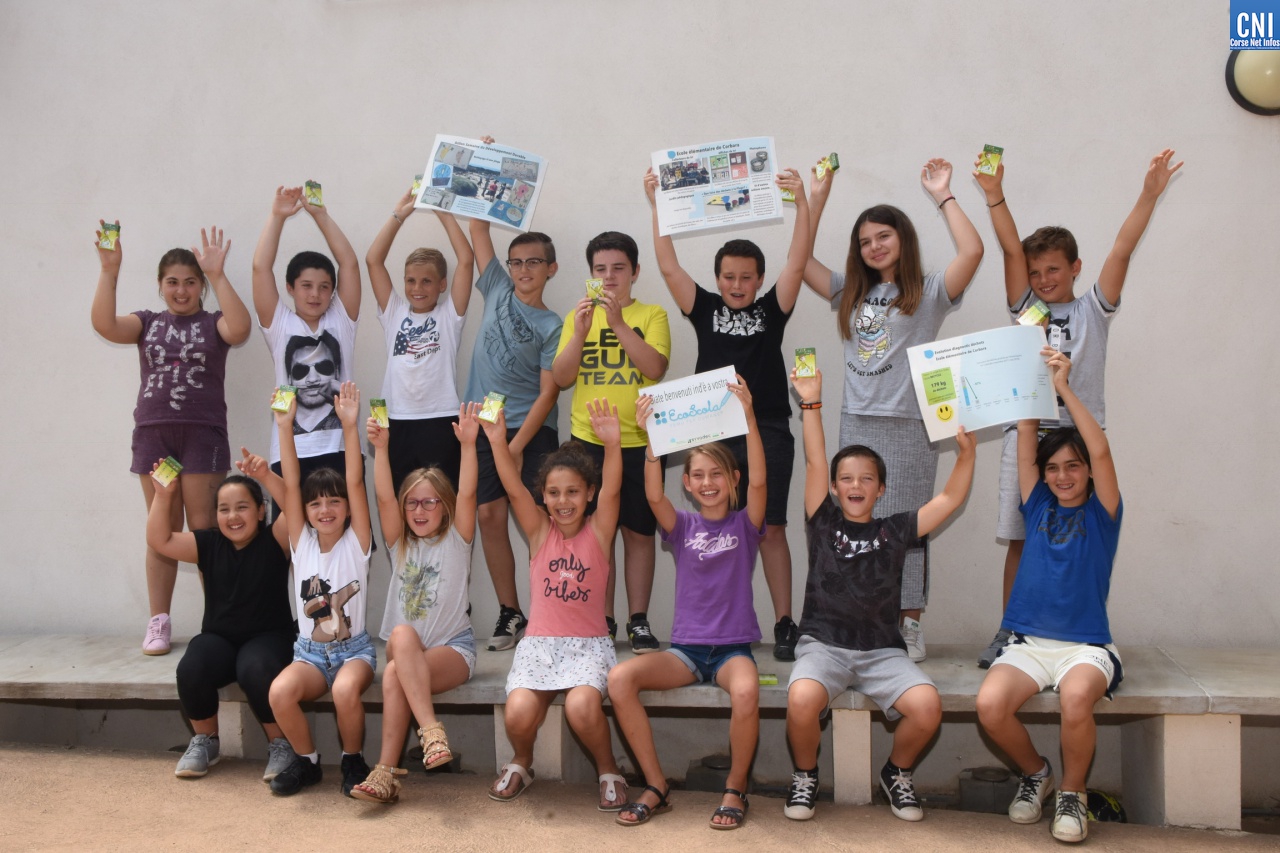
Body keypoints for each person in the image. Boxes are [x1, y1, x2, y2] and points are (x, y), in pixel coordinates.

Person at [974, 149, 1182, 668]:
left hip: (1080, 439)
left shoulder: (1094, 308)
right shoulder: (1026, 308)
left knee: (1083, 538)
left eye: (1053, 269)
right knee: (1021, 539)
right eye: (1036, 271)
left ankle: (1080, 633)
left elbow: (1122, 250)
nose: (1043, 278)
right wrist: (995, 195)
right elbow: (1009, 249)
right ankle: (1011, 630)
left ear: (1075, 268)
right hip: (1028, 436)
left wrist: (1149, 194)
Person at [803, 157, 983, 661]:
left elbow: (973, 251)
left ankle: (909, 623)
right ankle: (854, 618)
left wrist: (943, 195)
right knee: (854, 523)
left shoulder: (927, 291)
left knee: (907, 525)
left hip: (909, 423)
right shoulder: (850, 289)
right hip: (856, 421)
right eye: (865, 241)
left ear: (902, 238)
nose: (874, 246)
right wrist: (815, 199)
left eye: (883, 236)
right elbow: (799, 262)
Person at [784, 367, 975, 823]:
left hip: (882, 654)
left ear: (881, 489)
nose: (856, 486)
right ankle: (806, 775)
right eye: (847, 479)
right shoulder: (823, 522)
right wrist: (811, 403)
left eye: (866, 479)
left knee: (927, 707)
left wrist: (966, 454)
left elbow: (948, 500)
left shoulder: (895, 530)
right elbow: (815, 460)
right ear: (834, 488)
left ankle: (897, 772)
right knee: (801, 700)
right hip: (824, 647)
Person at [645, 164, 811, 661]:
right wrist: (658, 203)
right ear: (718, 279)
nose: (737, 284)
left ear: (759, 279)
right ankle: (711, 627)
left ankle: (785, 622)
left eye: (746, 277)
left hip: (768, 429)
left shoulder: (772, 310)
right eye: (728, 276)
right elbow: (669, 266)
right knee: (713, 529)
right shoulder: (704, 307)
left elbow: (797, 263)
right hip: (712, 434)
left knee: (771, 527)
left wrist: (803, 204)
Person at [975, 349, 1123, 844]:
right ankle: (1037, 774)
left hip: (1085, 647)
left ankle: (1072, 795)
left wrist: (1061, 387)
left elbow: (1102, 451)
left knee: (1076, 698)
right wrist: (1027, 375)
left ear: (1088, 471)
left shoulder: (1103, 513)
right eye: (1054, 468)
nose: (1063, 476)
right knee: (990, 706)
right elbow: (1025, 442)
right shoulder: (1037, 504)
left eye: (1073, 466)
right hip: (1029, 645)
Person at [609, 378, 765, 830]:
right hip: (686, 652)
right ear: (688, 483)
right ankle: (656, 784)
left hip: (733, 651)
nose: (708, 482)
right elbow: (652, 496)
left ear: (732, 479)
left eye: (717, 473)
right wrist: (651, 441)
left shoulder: (745, 524)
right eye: (698, 475)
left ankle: (735, 789)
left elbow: (761, 480)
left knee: (746, 691)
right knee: (619, 679)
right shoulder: (682, 526)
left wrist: (749, 417)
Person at [91, 223, 252, 655]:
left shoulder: (213, 323)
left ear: (201, 286)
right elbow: (104, 324)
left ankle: (219, 622)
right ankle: (158, 622)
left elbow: (241, 329)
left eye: (191, 282)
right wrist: (109, 270)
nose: (181, 290)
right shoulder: (147, 322)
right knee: (162, 527)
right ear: (160, 286)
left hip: (202, 436)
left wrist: (218, 273)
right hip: (155, 437)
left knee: (205, 529)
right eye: (173, 282)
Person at [480, 401, 628, 811]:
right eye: (554, 493)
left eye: (573, 492)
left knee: (582, 708)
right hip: (540, 647)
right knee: (517, 714)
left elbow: (614, 490)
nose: (564, 501)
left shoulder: (599, 531)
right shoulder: (539, 532)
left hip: (587, 647)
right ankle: (522, 761)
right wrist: (497, 441)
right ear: (543, 497)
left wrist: (613, 445)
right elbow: (513, 488)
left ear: (589, 493)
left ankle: (608, 768)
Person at [349, 403, 480, 804]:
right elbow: (383, 498)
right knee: (402, 638)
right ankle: (430, 734)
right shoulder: (400, 544)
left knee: (394, 672)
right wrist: (381, 449)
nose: (419, 510)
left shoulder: (457, 539)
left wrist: (469, 446)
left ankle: (386, 772)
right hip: (407, 650)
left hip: (452, 651)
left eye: (429, 502)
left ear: (445, 505)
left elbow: (469, 492)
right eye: (412, 503)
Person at [464, 137, 565, 652]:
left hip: (531, 432)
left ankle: (549, 611)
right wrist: (485, 159)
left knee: (541, 523)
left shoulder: (554, 324)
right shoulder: (497, 289)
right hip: (485, 428)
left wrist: (519, 444)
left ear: (550, 268)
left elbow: (549, 393)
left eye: (534, 262)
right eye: (517, 261)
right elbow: (478, 227)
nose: (523, 270)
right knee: (488, 515)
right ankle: (510, 611)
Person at [145, 448, 296, 781]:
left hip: (269, 639)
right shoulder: (208, 544)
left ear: (261, 511)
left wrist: (266, 476)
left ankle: (281, 744)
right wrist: (164, 496)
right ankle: (206, 741)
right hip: (220, 639)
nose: (233, 516)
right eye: (224, 509)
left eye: (242, 507)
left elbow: (294, 507)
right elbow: (159, 540)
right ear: (215, 516)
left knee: (255, 668)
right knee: (191, 666)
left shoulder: (276, 539)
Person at [551, 231, 670, 652]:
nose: (609, 276)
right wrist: (581, 332)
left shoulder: (652, 314)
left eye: (618, 268)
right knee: (595, 535)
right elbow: (561, 377)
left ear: (635, 271)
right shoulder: (577, 316)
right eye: (600, 269)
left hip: (640, 439)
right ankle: (600, 620)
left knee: (639, 532)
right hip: (588, 442)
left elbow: (654, 367)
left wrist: (618, 323)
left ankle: (638, 620)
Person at [267, 382, 375, 798]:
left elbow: (356, 481)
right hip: (309, 654)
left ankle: (352, 760)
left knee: (345, 690)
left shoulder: (357, 544)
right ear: (307, 513)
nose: (325, 510)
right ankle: (307, 761)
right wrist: (285, 427)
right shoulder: (301, 543)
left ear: (346, 508)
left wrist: (350, 427)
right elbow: (291, 485)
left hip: (354, 652)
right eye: (315, 504)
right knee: (280, 692)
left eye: (334, 502)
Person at [366, 188, 475, 494]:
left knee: (442, 499)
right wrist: (400, 214)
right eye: (411, 281)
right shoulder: (394, 312)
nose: (417, 288)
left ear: (442, 284)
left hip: (440, 418)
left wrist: (443, 211)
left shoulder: (449, 315)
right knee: (399, 498)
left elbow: (466, 261)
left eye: (426, 281)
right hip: (394, 418)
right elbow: (373, 260)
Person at [251, 183, 361, 488]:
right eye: (306, 286)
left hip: (340, 449)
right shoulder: (280, 325)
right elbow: (260, 268)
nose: (315, 294)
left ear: (333, 291)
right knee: (291, 521)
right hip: (289, 451)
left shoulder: (341, 321)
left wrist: (320, 215)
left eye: (324, 287)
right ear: (290, 288)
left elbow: (350, 263)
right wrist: (277, 217)